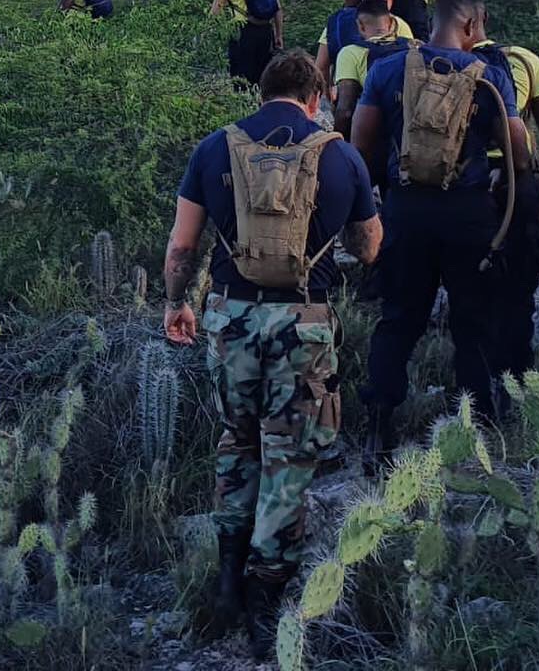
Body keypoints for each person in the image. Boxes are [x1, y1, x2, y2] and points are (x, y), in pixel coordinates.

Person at [163, 50, 381, 656]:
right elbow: (368, 248)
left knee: (238, 442)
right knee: (289, 458)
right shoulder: (340, 155)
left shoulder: (214, 149)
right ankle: (266, 603)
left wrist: (176, 303)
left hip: (230, 319)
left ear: (261, 95)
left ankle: (228, 581)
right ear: (315, 98)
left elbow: (182, 247)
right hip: (303, 324)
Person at [355, 0, 530, 462]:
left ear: (434, 23)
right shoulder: (490, 76)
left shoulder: (387, 68)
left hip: (405, 211)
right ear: (472, 26)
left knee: (398, 319)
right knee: (473, 320)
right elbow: (519, 152)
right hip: (468, 215)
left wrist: (380, 199)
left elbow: (361, 143)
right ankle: (475, 420)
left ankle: (378, 425)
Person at [472, 21, 539, 381]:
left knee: (472, 277)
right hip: (518, 181)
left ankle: (475, 374)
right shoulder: (527, 61)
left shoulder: (449, 63)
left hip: (468, 184)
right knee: (520, 280)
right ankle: (517, 372)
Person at [333, 0, 414, 139]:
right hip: (413, 137)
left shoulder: (350, 53)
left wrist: (337, 143)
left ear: (360, 25)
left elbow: (345, 111)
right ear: (391, 23)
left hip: (374, 140)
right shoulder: (416, 49)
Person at [314, 0, 415, 87]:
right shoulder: (398, 23)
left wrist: (327, 97)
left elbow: (321, 65)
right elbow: (411, 60)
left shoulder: (338, 21)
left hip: (346, 91)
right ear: (389, 0)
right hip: (392, 93)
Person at [210, 0, 283, 88]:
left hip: (241, 32)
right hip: (266, 31)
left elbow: (215, 12)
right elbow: (278, 9)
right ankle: (262, 104)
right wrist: (279, 35)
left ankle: (242, 106)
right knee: (263, 75)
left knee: (240, 77)